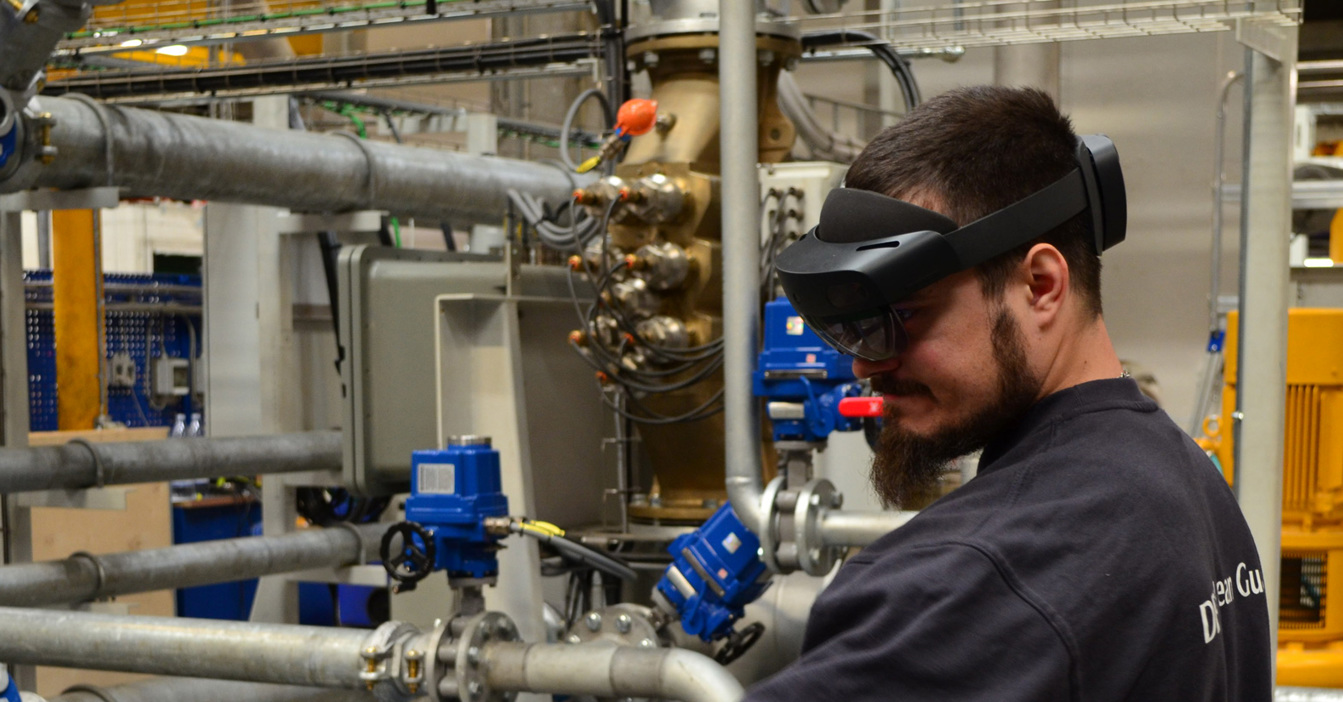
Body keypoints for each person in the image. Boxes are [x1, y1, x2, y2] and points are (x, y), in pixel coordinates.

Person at [749, 86, 1271, 700]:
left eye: (906, 316)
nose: (868, 366)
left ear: (1041, 286)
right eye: (857, 330)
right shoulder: (1189, 484)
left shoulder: (967, 582)